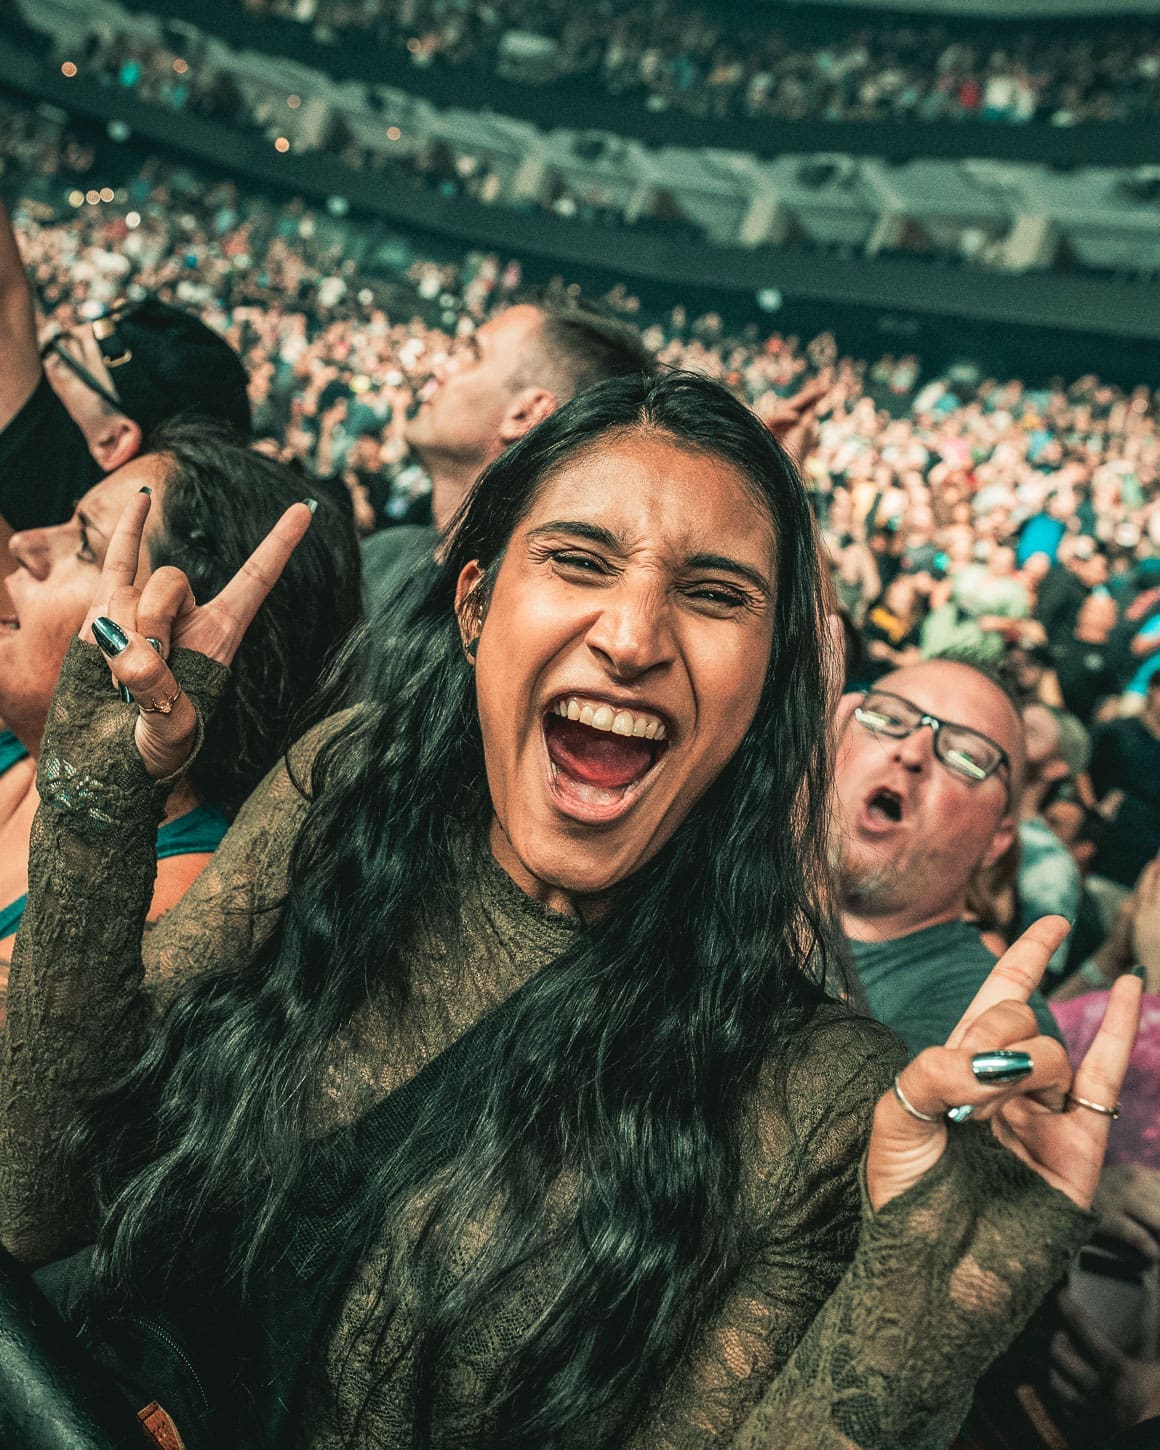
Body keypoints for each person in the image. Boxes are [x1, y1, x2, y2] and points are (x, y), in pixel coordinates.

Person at [0, 372, 1139, 1449]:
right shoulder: (341, 790)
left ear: (766, 688)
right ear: (475, 604)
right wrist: (98, 802)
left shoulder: (816, 1098)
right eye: (579, 559)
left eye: (713, 594)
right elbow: (33, 1201)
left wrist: (921, 1319)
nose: (632, 638)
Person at [0, 418, 361, 978]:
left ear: (181, 644)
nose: (23, 543)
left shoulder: (180, 901)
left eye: (87, 547)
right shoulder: (25, 749)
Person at [0, 201, 251, 610]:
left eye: (61, 358)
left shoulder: (43, 457)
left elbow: (5, 293)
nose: (25, 546)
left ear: (113, 439)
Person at [359, 296, 655, 607]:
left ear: (525, 414)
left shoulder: (524, 618)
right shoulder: (382, 555)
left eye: (474, 355)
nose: (441, 367)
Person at [833, 657, 1062, 1056]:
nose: (913, 750)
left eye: (966, 756)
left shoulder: (984, 1014)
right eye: (889, 719)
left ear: (997, 840)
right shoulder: (723, 865)